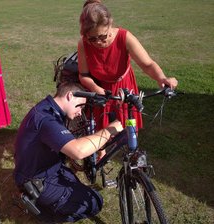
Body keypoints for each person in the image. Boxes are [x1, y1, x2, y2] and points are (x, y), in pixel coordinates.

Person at [13, 82, 123, 223]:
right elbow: (78, 151)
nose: (80, 112)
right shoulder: (47, 119)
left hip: (46, 168)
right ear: (70, 96)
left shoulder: (49, 108)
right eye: (81, 106)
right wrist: (110, 130)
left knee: (85, 193)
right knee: (95, 202)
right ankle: (43, 213)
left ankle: (40, 200)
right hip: (36, 179)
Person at [78, 0, 178, 132]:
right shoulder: (83, 43)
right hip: (100, 91)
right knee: (100, 135)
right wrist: (95, 88)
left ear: (110, 24)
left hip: (124, 88)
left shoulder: (124, 37)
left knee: (129, 130)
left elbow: (147, 64)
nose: (98, 42)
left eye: (103, 36)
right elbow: (83, 75)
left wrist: (162, 78)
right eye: (92, 38)